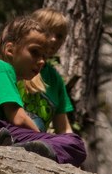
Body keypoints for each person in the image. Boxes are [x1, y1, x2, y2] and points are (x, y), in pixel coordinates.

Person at [0, 16, 86, 166]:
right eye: (35, 52)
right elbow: (18, 118)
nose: (42, 61)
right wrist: (41, 138)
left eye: (44, 56)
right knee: (75, 144)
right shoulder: (1, 68)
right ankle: (29, 151)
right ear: (10, 49)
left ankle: (17, 148)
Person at [19, 9, 78, 137]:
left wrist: (72, 143)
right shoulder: (16, 66)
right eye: (47, 31)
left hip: (38, 141)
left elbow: (63, 128)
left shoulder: (55, 80)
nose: (53, 39)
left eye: (59, 36)